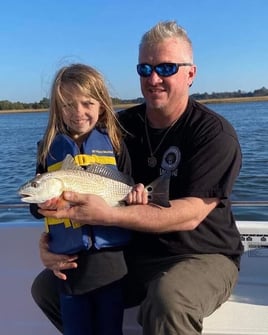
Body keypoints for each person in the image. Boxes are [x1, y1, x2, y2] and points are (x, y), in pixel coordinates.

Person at [31, 21, 243, 335]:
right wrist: (51, 243)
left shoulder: (213, 133)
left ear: (191, 74)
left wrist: (111, 213)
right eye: (145, 69)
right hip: (134, 252)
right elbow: (77, 182)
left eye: (166, 68)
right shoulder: (119, 129)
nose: (154, 79)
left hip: (200, 253)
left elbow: (190, 214)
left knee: (168, 300)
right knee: (47, 288)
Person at [30, 63, 136, 335]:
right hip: (68, 265)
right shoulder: (47, 150)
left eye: (87, 103)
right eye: (67, 105)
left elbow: (128, 189)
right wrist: (41, 208)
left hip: (110, 263)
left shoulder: (114, 144)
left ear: (101, 105)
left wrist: (138, 196)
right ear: (57, 108)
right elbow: (34, 202)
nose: (77, 112)